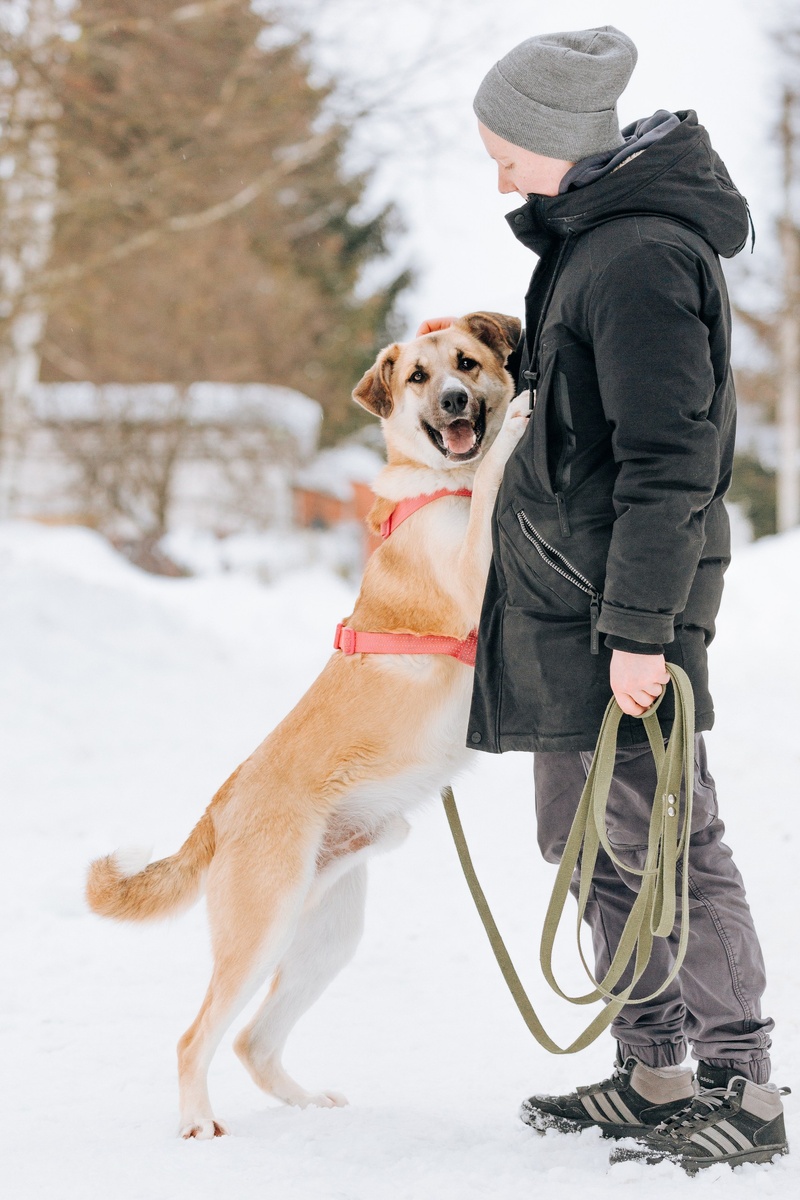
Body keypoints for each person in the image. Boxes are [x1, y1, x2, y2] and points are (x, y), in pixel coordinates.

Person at [419, 26, 788, 1172]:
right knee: (585, 848)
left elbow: (667, 463)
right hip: (558, 613)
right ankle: (654, 1068)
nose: (497, 175)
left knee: (669, 842)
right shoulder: (587, 241)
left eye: (504, 153)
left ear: (559, 140)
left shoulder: (633, 257)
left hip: (617, 616)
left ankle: (744, 1083)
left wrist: (639, 634)